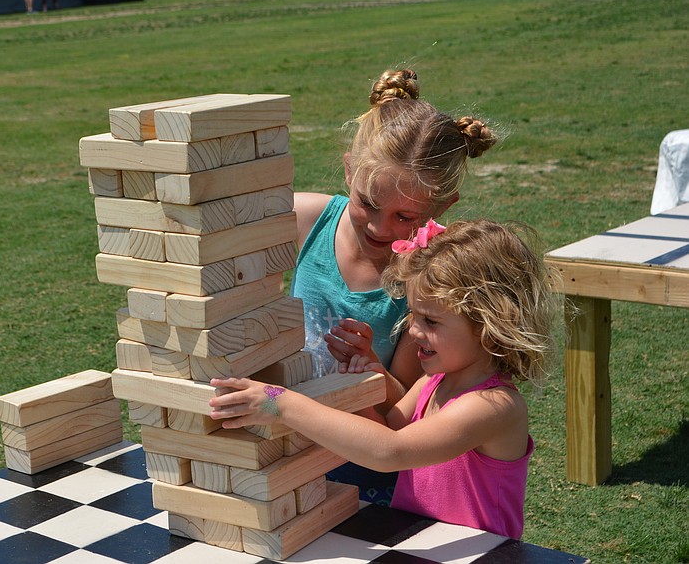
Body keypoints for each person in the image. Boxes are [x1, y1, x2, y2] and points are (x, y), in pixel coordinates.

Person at [210, 219, 560, 539]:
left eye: (431, 321)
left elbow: (389, 451)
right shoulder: (436, 381)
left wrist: (279, 403)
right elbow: (388, 428)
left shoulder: (494, 407)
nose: (413, 330)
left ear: (488, 327)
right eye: (413, 315)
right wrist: (365, 385)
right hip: (421, 544)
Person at [291, 67, 497, 504]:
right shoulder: (304, 220)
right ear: (349, 172)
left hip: (369, 468)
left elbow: (405, 403)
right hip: (288, 445)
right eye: (368, 203)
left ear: (443, 205)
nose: (381, 228)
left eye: (405, 216)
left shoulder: (428, 274)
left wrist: (370, 365)